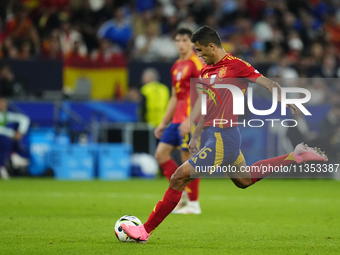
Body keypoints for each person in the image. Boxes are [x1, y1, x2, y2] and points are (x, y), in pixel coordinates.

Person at [121, 26, 328, 242]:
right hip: (215, 134)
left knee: (178, 178)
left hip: (225, 136)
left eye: (200, 51)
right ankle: (295, 156)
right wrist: (195, 135)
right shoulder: (205, 71)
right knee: (244, 180)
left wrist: (281, 97)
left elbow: (269, 83)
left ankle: (144, 231)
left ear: (212, 46)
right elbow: (208, 107)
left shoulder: (237, 66)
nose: (199, 55)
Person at [153, 28, 204, 214]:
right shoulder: (175, 66)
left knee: (187, 160)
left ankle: (194, 203)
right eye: (178, 40)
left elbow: (201, 96)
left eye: (184, 40)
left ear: (192, 43)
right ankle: (181, 196)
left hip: (189, 119)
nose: (181, 44)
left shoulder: (196, 64)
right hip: (176, 120)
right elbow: (175, 97)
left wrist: (190, 121)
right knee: (161, 154)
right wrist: (163, 123)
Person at [0, 97, 30, 179]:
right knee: (2, 139)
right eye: (0, 103)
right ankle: (12, 156)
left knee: (4, 140)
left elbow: (24, 119)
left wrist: (20, 132)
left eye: (4, 103)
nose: (2, 105)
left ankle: (3, 166)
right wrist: (12, 133)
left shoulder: (6, 115)